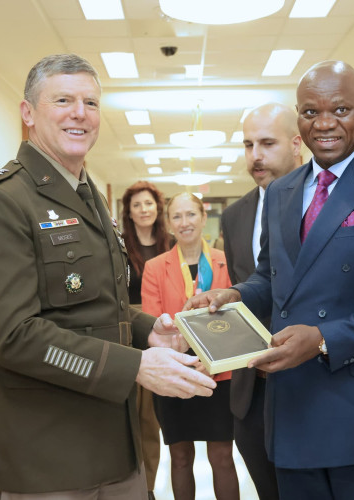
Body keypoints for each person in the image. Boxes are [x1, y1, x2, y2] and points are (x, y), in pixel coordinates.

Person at [184, 60, 354, 500]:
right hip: (294, 412)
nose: (325, 124)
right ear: (298, 117)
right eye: (310, 112)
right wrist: (234, 293)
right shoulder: (283, 193)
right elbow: (273, 280)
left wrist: (325, 338)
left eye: (340, 110)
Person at [0, 54, 216, 500]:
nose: (79, 113)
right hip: (46, 450)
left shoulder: (88, 197)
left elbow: (102, 305)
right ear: (28, 113)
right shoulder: (0, 200)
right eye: (62, 100)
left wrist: (150, 332)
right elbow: (15, 336)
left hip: (113, 441)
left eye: (90, 102)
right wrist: (136, 365)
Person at [220, 102, 302, 500]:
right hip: (250, 388)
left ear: (297, 143)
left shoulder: (322, 205)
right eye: (248, 144)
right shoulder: (235, 215)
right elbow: (250, 285)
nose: (255, 155)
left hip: (309, 379)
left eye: (267, 143)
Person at [142, 192, 238, 500]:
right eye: (177, 216)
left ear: (203, 218)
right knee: (181, 457)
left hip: (221, 373)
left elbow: (237, 318)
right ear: (169, 224)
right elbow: (152, 320)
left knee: (222, 457)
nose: (185, 223)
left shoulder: (227, 262)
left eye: (191, 214)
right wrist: (183, 353)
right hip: (175, 372)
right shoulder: (155, 267)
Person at [121, 180, 173, 500]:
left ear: (158, 208)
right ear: (128, 212)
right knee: (128, 415)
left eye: (149, 204)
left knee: (150, 417)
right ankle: (130, 484)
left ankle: (149, 487)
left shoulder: (170, 243)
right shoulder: (120, 244)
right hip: (127, 331)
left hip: (163, 328)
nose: (144, 210)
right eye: (137, 205)